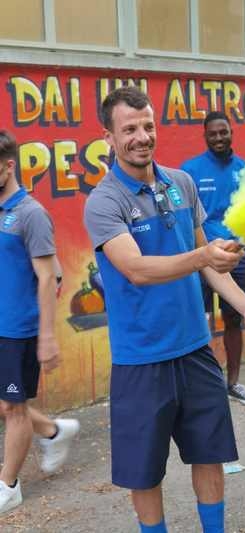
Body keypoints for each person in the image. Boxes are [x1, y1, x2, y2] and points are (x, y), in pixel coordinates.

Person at [84, 86, 245, 533]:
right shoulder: (104, 201)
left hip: (196, 350)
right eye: (129, 129)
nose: (142, 137)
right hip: (141, 359)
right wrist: (202, 256)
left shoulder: (182, 184)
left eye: (148, 126)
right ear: (109, 138)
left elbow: (207, 262)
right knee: (145, 473)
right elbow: (136, 269)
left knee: (209, 455)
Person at [0, 130, 80, 515]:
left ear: (8, 166)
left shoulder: (31, 214)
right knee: (4, 403)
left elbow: (50, 276)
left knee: (14, 407)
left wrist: (47, 337)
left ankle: (8, 486)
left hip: (18, 329)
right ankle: (52, 431)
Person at [181, 111, 245, 406]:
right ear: (205, 136)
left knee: (234, 320)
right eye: (213, 133)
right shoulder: (190, 171)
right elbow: (184, 218)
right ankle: (201, 388)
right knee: (198, 322)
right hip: (202, 258)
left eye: (223, 132)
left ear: (231, 133)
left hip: (238, 258)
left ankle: (234, 383)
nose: (219, 138)